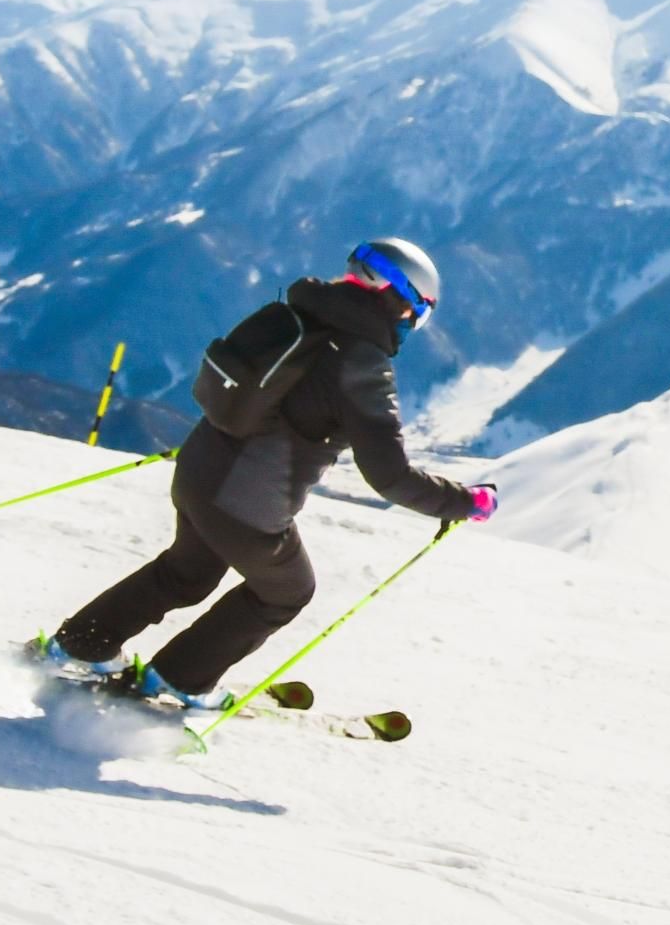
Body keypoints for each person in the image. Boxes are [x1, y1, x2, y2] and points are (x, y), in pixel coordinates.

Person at [38, 237, 494, 711]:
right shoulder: (362, 365)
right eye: (416, 313)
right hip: (245, 506)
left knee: (186, 573)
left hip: (197, 473)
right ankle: (176, 682)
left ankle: (78, 645)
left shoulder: (297, 316)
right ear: (404, 301)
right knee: (287, 590)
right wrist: (466, 502)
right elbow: (390, 476)